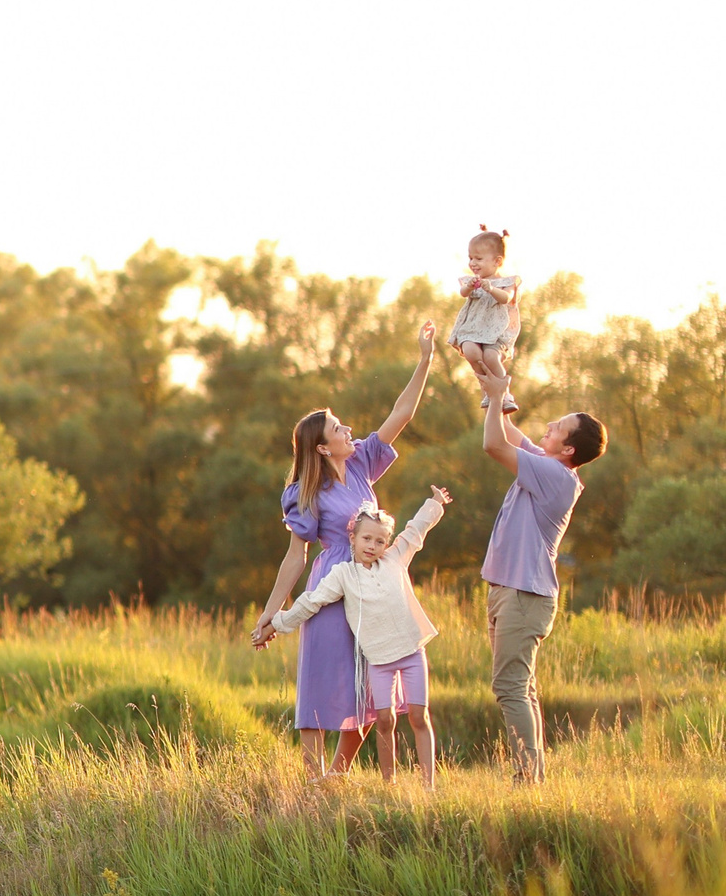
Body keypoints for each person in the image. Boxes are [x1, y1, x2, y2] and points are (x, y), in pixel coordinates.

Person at [252, 322, 438, 779]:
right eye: (338, 427)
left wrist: (425, 359)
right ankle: (313, 777)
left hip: (376, 585)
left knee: (369, 686)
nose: (348, 428)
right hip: (332, 584)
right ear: (321, 445)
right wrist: (271, 612)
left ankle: (337, 776)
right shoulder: (302, 492)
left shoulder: (361, 464)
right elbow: (295, 558)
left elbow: (402, 415)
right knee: (321, 680)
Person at [266, 486, 452, 790]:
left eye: (380, 541)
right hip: (378, 660)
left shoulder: (393, 560)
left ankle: (428, 785)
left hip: (411, 651)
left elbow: (415, 530)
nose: (373, 545)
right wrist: (279, 622)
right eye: (366, 538)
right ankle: (389, 785)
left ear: (386, 544)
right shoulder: (343, 575)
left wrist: (435, 502)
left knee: (419, 715)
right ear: (352, 538)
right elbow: (312, 600)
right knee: (384, 719)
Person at [471, 369, 606, 780]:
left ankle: (528, 779)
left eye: (557, 427)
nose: (548, 426)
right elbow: (510, 433)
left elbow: (493, 442)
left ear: (567, 449)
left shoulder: (555, 475)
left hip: (523, 596)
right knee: (521, 687)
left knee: (511, 687)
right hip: (511, 592)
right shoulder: (547, 465)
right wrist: (494, 387)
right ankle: (533, 774)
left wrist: (496, 400)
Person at [451, 226, 523, 413]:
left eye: (478, 258)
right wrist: (469, 287)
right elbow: (463, 293)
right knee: (471, 352)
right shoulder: (471, 281)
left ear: (497, 261)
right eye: (470, 258)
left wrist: (490, 288)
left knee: (491, 356)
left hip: (496, 332)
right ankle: (486, 389)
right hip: (472, 329)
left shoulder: (508, 282)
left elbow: (506, 298)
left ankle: (504, 392)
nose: (473, 263)